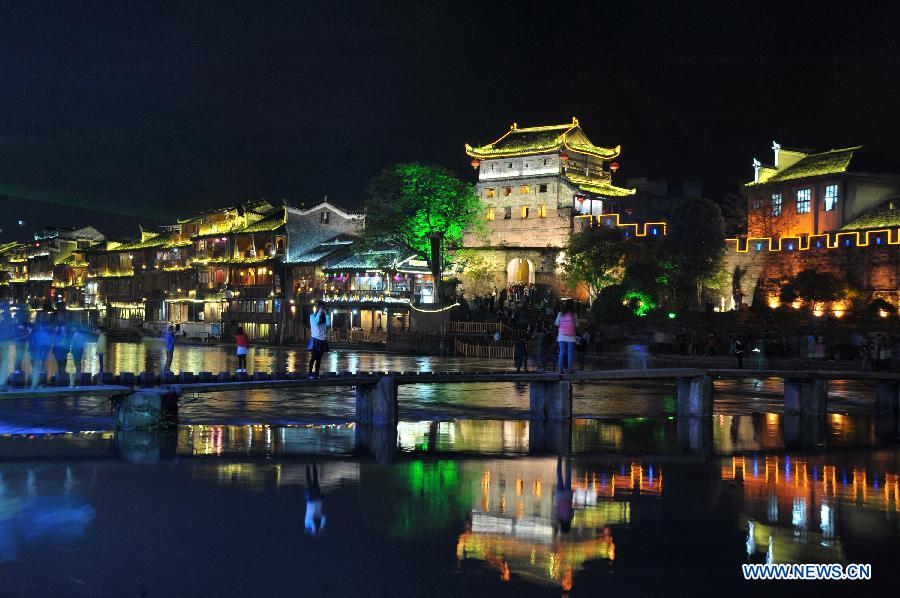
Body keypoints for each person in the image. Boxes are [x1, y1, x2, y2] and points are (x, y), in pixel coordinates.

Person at [555, 300, 578, 373]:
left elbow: (556, 323)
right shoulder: (574, 315)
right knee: (570, 353)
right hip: (571, 336)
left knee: (561, 352)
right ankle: (569, 368)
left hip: (561, 336)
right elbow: (577, 325)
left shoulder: (560, 314)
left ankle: (560, 369)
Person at [554, 454, 574, 535]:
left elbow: (572, 509)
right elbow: (555, 510)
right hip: (559, 496)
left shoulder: (570, 518)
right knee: (559, 477)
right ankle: (559, 459)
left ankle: (568, 459)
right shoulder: (558, 518)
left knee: (568, 476)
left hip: (568, 496)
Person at [305, 464, 326, 536]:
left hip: (313, 499)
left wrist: (316, 529)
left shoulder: (309, 525)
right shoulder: (316, 524)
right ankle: (312, 465)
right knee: (313, 479)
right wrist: (319, 528)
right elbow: (323, 516)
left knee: (311, 480)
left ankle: (309, 465)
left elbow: (313, 517)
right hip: (315, 499)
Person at [308, 304, 328, 379]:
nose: (322, 310)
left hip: (323, 339)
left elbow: (328, 323)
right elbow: (316, 323)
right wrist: (319, 312)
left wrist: (326, 314)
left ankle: (316, 374)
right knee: (314, 357)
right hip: (315, 339)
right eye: (321, 309)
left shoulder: (323, 317)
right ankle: (310, 373)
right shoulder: (312, 316)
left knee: (319, 359)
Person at [29, 323, 51, 388]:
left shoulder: (36, 333)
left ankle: (35, 384)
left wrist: (34, 349)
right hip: (43, 351)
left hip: (37, 351)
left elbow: (32, 342)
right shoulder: (46, 334)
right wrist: (47, 350)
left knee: (36, 366)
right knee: (42, 366)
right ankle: (41, 383)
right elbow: (48, 343)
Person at [0, 306, 13, 390]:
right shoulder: (8, 322)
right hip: (5, 342)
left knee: (3, 362)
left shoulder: (2, 322)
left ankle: (2, 382)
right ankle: (2, 383)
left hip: (3, 341)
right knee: (4, 363)